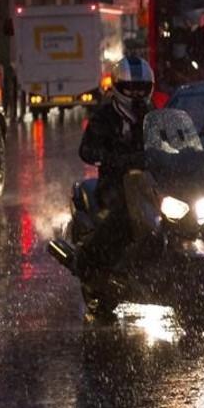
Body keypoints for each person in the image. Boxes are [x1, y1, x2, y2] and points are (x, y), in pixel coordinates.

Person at [74, 57, 157, 277]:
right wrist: (111, 158)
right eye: (131, 89)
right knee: (121, 215)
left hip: (150, 182)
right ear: (118, 88)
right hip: (115, 182)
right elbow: (86, 150)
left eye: (142, 89)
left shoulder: (154, 116)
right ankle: (92, 263)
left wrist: (190, 154)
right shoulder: (105, 116)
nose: (137, 95)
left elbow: (169, 140)